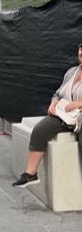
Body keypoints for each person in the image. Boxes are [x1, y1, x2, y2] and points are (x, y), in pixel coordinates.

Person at [13, 43, 82, 188]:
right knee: (40, 130)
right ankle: (31, 174)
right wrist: (54, 102)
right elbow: (58, 92)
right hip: (67, 115)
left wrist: (79, 104)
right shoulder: (72, 72)